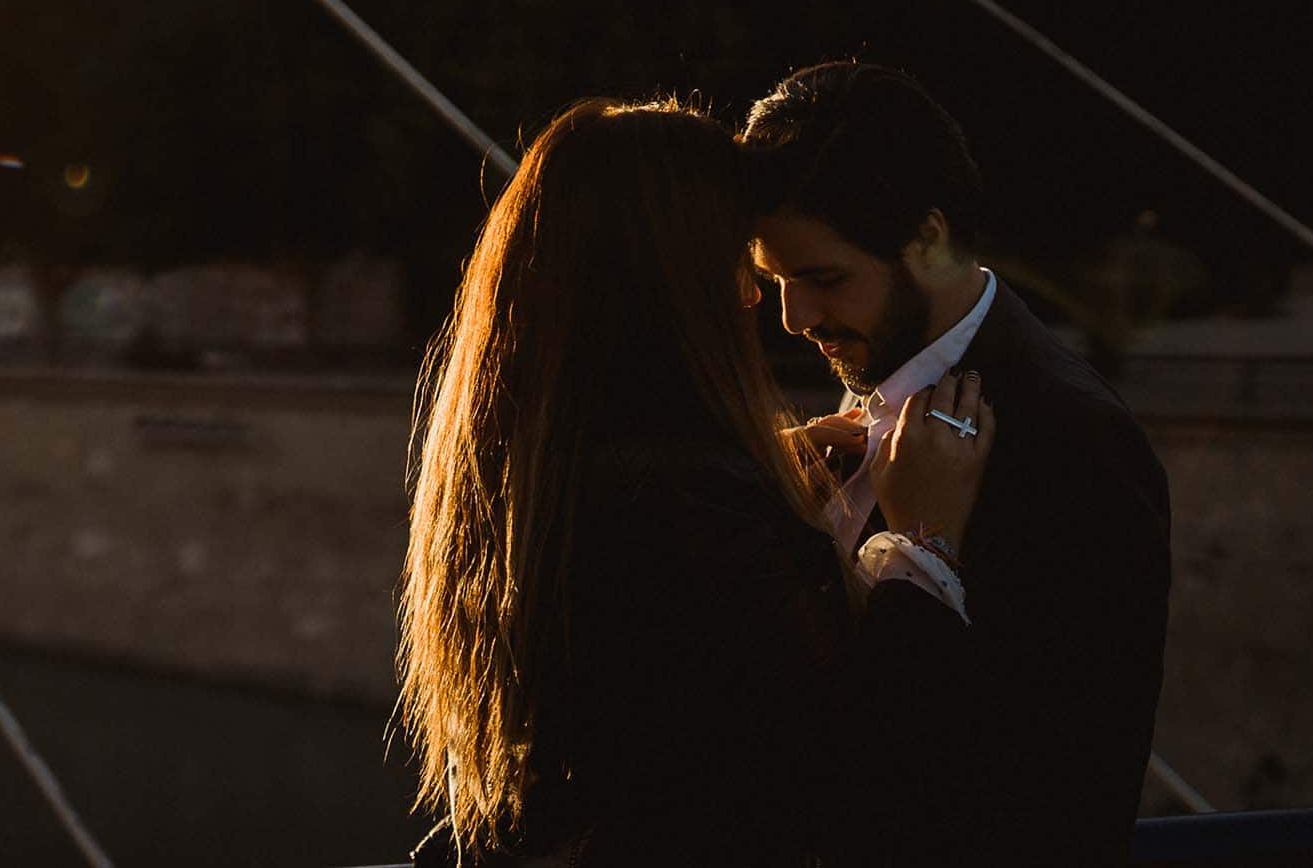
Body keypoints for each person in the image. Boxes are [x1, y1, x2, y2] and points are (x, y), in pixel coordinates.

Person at [401, 98, 995, 868]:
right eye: (734, 262)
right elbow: (854, 782)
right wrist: (924, 544)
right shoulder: (687, 517)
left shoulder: (528, 470)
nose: (754, 299)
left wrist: (766, 482)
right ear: (668, 283)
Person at [743, 61, 1171, 866]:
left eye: (823, 279)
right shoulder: (848, 422)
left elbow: (1057, 795)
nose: (795, 319)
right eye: (776, 282)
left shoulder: (1074, 443)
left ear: (930, 238)